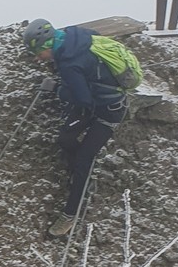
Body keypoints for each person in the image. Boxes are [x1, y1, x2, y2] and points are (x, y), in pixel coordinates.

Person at [23, 18, 134, 237]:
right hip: (97, 102)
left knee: (84, 158)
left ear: (48, 45)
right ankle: (78, 171)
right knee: (65, 139)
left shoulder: (69, 64)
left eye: (38, 53)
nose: (38, 58)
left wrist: (58, 89)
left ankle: (71, 212)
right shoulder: (75, 37)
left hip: (108, 111)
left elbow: (82, 99)